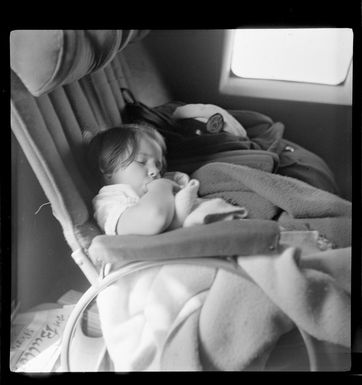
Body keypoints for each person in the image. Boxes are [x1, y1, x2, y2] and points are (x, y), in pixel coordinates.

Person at [87, 123, 247, 236]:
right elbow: (154, 217)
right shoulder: (110, 201)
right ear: (107, 168)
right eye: (142, 162)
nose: (155, 171)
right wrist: (162, 186)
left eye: (158, 165)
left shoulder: (161, 184)